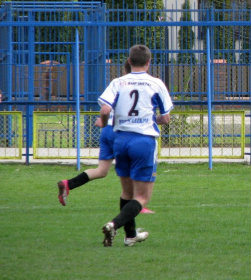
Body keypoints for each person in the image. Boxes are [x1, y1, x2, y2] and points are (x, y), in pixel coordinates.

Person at [97, 44, 173, 247]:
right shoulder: (156, 83)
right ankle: (114, 224)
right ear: (149, 62)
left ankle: (130, 236)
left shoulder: (118, 82)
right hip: (143, 141)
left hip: (120, 140)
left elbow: (105, 110)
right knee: (142, 197)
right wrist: (148, 119)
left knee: (126, 193)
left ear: (129, 61)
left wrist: (105, 125)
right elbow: (165, 118)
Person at [57, 61, 154, 214]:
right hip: (121, 131)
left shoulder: (117, 85)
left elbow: (106, 108)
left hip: (107, 129)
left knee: (102, 171)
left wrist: (103, 121)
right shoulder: (141, 86)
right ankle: (137, 203)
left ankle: (68, 184)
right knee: (132, 167)